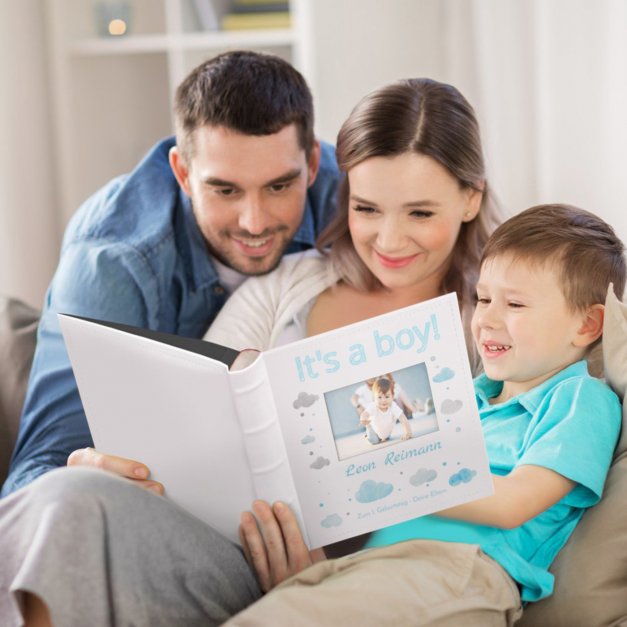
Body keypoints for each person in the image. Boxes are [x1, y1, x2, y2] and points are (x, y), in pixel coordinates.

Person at [0, 77, 500, 626]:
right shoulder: (291, 283)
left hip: (357, 582)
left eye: (420, 214)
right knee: (71, 497)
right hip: (215, 547)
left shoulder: (491, 324)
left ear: (470, 197)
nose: (389, 239)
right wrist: (109, 464)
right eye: (367, 209)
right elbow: (189, 407)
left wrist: (320, 578)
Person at [225, 204, 624, 626]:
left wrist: (396, 469)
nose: (486, 318)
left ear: (586, 325)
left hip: (461, 571)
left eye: (516, 304)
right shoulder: (465, 394)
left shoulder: (581, 399)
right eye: (483, 298)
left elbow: (513, 503)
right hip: (374, 566)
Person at [1, 50, 340, 497]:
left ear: (312, 163)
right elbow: (31, 478)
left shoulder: (355, 201)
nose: (254, 221)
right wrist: (80, 482)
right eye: (224, 189)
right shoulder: (113, 262)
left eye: (279, 186)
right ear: (182, 172)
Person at [359, 376, 413, 444]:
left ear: (392, 396)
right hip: (374, 430)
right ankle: (369, 429)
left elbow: (403, 419)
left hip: (387, 433)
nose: (383, 400)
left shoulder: (393, 406)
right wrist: (363, 419)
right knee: (374, 441)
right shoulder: (373, 406)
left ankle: (383, 437)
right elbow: (365, 414)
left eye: (387, 397)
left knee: (386, 437)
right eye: (379, 397)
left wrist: (408, 432)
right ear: (374, 397)